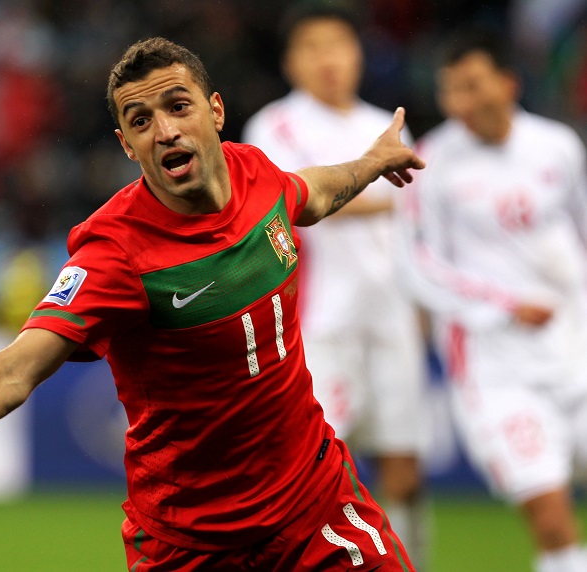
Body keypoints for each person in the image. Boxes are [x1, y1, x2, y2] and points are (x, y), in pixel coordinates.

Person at [0, 37, 424, 571]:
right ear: (126, 144)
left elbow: (311, 193)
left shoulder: (256, 173)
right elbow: (16, 371)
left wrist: (371, 162)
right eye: (141, 120)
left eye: (178, 107)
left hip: (315, 503)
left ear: (216, 111)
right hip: (192, 542)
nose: (165, 130)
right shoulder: (113, 252)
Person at [241, 4, 428, 567]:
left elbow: (415, 224)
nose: (330, 59)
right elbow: (295, 207)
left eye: (340, 45)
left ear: (359, 54)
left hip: (392, 318)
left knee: (404, 467)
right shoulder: (274, 126)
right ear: (292, 61)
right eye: (314, 47)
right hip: (320, 324)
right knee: (315, 465)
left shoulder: (386, 124)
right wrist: (377, 190)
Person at [399, 28, 587, 572]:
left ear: (507, 83)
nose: (464, 101)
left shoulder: (559, 147)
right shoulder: (430, 165)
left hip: (573, 351)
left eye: (473, 85)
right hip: (496, 367)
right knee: (551, 517)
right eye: (452, 90)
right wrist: (504, 305)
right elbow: (418, 265)